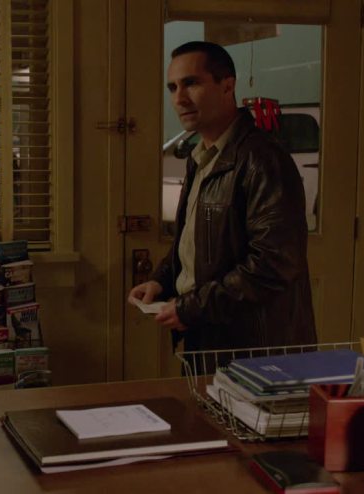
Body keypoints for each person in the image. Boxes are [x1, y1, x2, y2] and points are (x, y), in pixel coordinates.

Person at [128, 41, 316, 358]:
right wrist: (162, 281)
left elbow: (273, 264)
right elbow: (194, 244)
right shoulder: (202, 157)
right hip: (210, 338)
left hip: (256, 351)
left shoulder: (262, 158)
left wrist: (191, 308)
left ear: (227, 86)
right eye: (172, 87)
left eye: (191, 83)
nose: (179, 98)